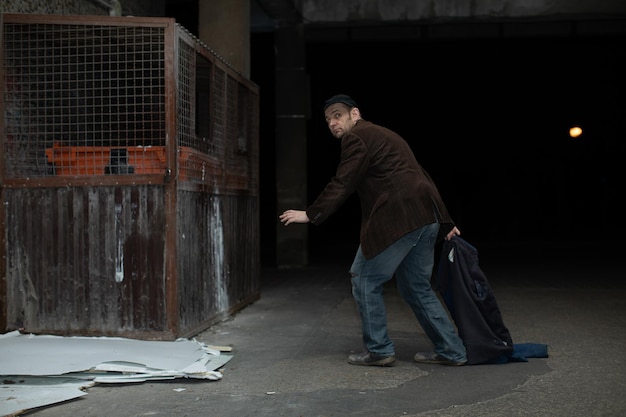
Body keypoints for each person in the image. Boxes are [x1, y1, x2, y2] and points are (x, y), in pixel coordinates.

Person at [279, 94, 467, 367]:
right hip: (425, 218)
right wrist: (444, 220)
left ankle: (379, 350)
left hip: (400, 219)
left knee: (364, 278)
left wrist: (311, 213)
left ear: (355, 114)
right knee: (417, 288)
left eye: (337, 115)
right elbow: (420, 176)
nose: (332, 123)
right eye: (328, 119)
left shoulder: (357, 138)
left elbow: (343, 182)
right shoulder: (386, 135)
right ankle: (452, 351)